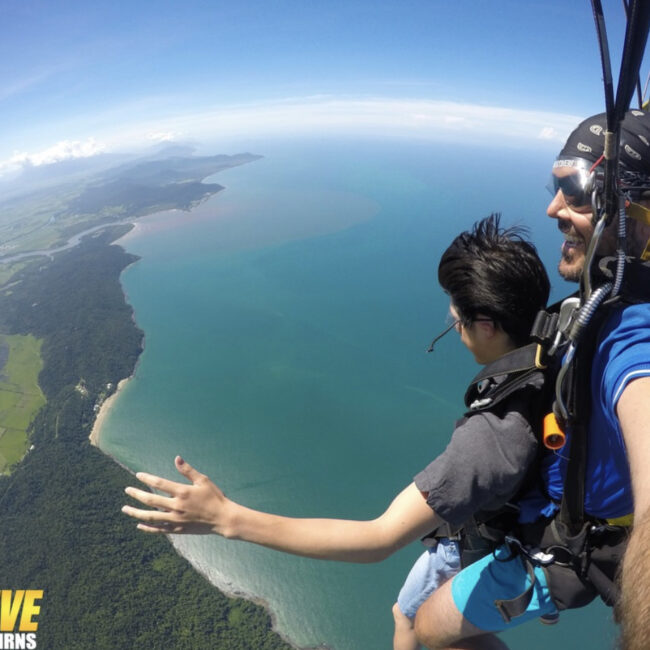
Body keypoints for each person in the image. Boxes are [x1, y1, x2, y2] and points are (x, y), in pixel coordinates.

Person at [121, 214, 551, 648]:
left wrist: (226, 518)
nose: (453, 328)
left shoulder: (489, 440)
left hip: (482, 545)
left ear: (486, 325)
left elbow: (376, 540)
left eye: (455, 321)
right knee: (406, 615)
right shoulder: (551, 360)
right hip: (507, 532)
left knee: (419, 625)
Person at [412, 109, 650, 650]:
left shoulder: (631, 333)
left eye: (576, 190)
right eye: (555, 185)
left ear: (635, 218)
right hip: (555, 520)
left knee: (429, 628)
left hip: (570, 549)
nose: (553, 207)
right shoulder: (600, 305)